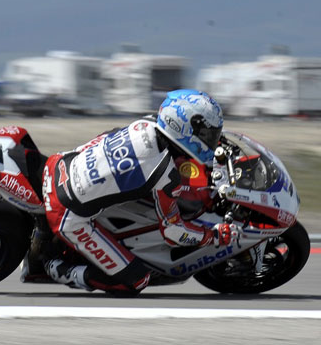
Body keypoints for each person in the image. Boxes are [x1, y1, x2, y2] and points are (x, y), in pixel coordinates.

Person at [40, 89, 240, 293]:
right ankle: (56, 269)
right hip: (67, 213)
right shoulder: (165, 174)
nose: (211, 139)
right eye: (207, 134)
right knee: (137, 281)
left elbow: (105, 136)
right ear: (183, 128)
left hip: (59, 164)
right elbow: (173, 232)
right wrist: (212, 236)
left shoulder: (146, 124)